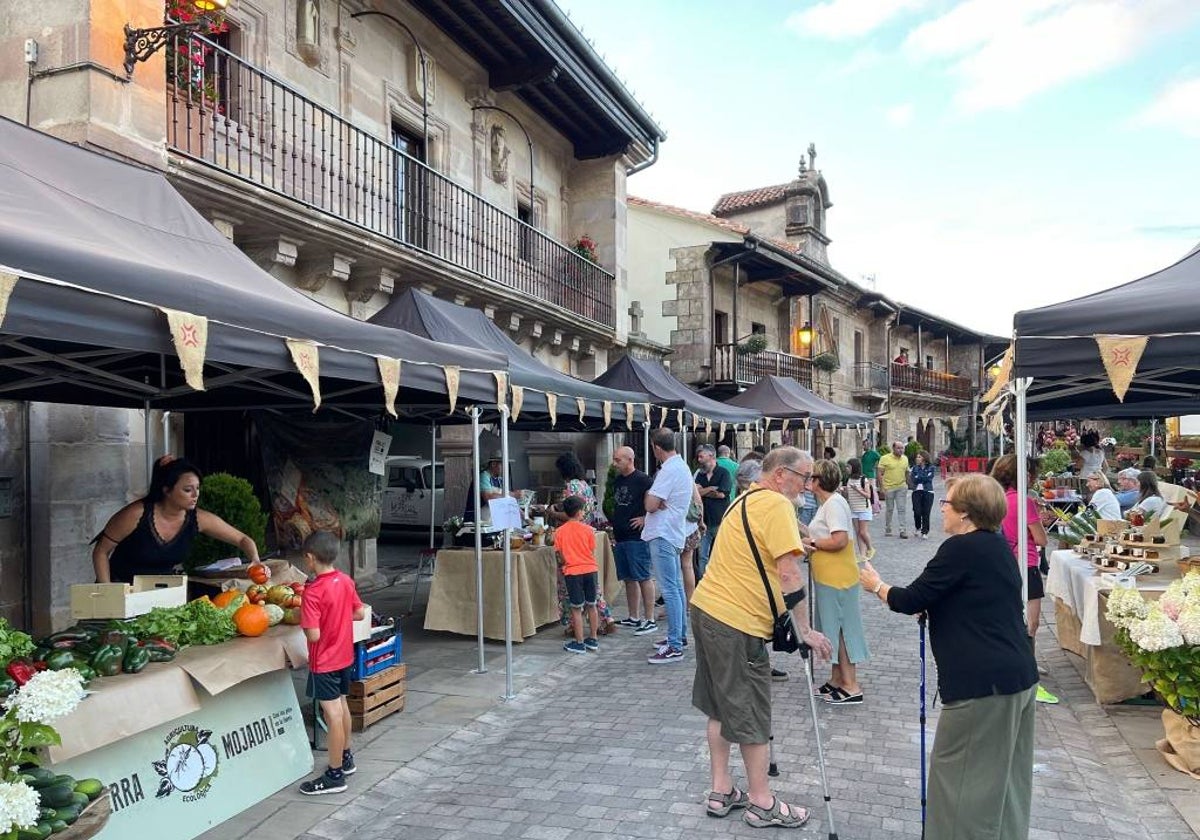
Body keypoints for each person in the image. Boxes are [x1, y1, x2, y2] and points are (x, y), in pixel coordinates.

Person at [858, 474, 1038, 840]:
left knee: (960, 783)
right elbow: (975, 599)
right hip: (1017, 676)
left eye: (948, 502)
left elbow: (909, 599)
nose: (942, 507)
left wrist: (876, 584)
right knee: (1006, 785)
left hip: (982, 686)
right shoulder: (997, 544)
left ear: (966, 513)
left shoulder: (961, 549)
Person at [690, 447, 832, 828]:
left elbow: (756, 551)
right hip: (737, 620)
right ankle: (761, 801)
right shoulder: (778, 506)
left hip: (707, 608)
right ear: (782, 474)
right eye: (805, 477)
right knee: (752, 711)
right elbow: (789, 575)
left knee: (720, 705)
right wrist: (805, 630)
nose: (809, 484)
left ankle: (721, 790)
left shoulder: (745, 499)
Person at [92, 455, 260, 584]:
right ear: (167, 490)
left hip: (162, 593)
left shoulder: (199, 518)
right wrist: (107, 591)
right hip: (121, 588)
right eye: (188, 490)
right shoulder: (136, 514)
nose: (196, 495)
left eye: (198, 488)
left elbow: (242, 539)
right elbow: (101, 551)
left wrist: (255, 561)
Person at [298, 531, 367, 795]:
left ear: (310, 558)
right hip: (343, 656)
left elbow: (313, 634)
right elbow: (359, 612)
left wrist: (304, 620)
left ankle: (335, 774)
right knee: (342, 705)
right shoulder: (346, 580)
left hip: (323, 660)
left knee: (333, 715)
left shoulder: (312, 592)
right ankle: (346, 757)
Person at [991, 454, 1056, 702]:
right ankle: (1025, 671)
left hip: (1005, 561)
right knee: (1031, 622)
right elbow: (1041, 539)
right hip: (1026, 563)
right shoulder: (1024, 501)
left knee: (1011, 616)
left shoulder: (999, 499)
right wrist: (1040, 524)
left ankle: (1023, 663)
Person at [806, 459, 868, 704]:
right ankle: (836, 678)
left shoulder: (833, 504)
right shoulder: (828, 504)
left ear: (819, 481)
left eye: (811, 477)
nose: (807, 481)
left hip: (838, 577)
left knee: (842, 629)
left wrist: (812, 544)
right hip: (828, 577)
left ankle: (851, 685)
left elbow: (839, 540)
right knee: (831, 627)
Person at [550, 452, 616, 634]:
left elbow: (568, 514)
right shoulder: (585, 485)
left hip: (571, 540)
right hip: (585, 538)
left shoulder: (570, 487)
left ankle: (574, 625)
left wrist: (552, 513)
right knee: (592, 588)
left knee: (568, 587)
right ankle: (606, 617)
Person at [643, 429, 693, 663]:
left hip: (663, 533)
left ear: (656, 447)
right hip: (672, 532)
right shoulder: (680, 467)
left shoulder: (669, 469)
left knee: (670, 589)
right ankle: (678, 636)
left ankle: (674, 644)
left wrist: (651, 497)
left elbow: (651, 504)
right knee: (676, 587)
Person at [609, 447, 656, 636]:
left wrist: (646, 518)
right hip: (621, 535)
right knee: (628, 578)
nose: (615, 463)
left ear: (630, 460)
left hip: (637, 537)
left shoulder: (644, 480)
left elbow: (658, 503)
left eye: (618, 460)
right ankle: (633, 616)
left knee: (644, 576)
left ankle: (650, 618)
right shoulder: (618, 480)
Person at [556, 496, 600, 654]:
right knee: (592, 604)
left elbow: (560, 555)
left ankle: (579, 641)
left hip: (572, 571)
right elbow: (591, 550)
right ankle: (593, 638)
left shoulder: (559, 532)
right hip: (590, 569)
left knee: (576, 608)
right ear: (580, 512)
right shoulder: (588, 530)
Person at [694, 445, 732, 579]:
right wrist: (710, 488)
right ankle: (703, 582)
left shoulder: (724, 473)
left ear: (711, 457)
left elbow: (722, 494)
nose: (699, 460)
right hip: (703, 520)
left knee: (719, 555)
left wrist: (702, 492)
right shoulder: (700, 474)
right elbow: (695, 493)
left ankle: (719, 581)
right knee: (702, 555)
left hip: (719, 520)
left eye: (701, 456)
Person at [464, 452, 520, 522]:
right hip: (477, 521)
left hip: (491, 521)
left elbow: (507, 500)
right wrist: (513, 495)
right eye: (503, 464)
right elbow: (488, 498)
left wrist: (525, 517)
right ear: (493, 464)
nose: (505, 468)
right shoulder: (483, 477)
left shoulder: (500, 480)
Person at [877, 440, 911, 538]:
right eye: (898, 448)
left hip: (901, 487)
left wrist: (908, 483)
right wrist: (882, 487)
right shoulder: (885, 458)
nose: (901, 450)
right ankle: (888, 528)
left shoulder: (905, 459)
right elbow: (879, 473)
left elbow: (907, 471)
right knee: (889, 509)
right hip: (889, 487)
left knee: (901, 509)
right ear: (893, 448)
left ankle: (902, 530)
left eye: (902, 448)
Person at [844, 457, 875, 561]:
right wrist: (843, 490)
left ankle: (870, 548)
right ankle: (862, 554)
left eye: (848, 467)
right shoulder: (849, 480)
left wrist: (857, 490)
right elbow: (848, 495)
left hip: (864, 509)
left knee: (863, 532)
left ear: (854, 468)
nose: (846, 469)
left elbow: (868, 495)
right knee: (857, 532)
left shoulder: (863, 479)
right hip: (853, 509)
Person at [910, 451, 936, 539]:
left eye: (919, 457)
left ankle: (925, 531)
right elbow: (914, 479)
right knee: (917, 511)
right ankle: (918, 527)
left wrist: (919, 477)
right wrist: (921, 477)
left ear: (924, 458)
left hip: (928, 491)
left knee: (926, 512)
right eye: (917, 457)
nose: (917, 459)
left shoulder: (931, 468)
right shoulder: (914, 468)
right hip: (916, 491)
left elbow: (929, 478)